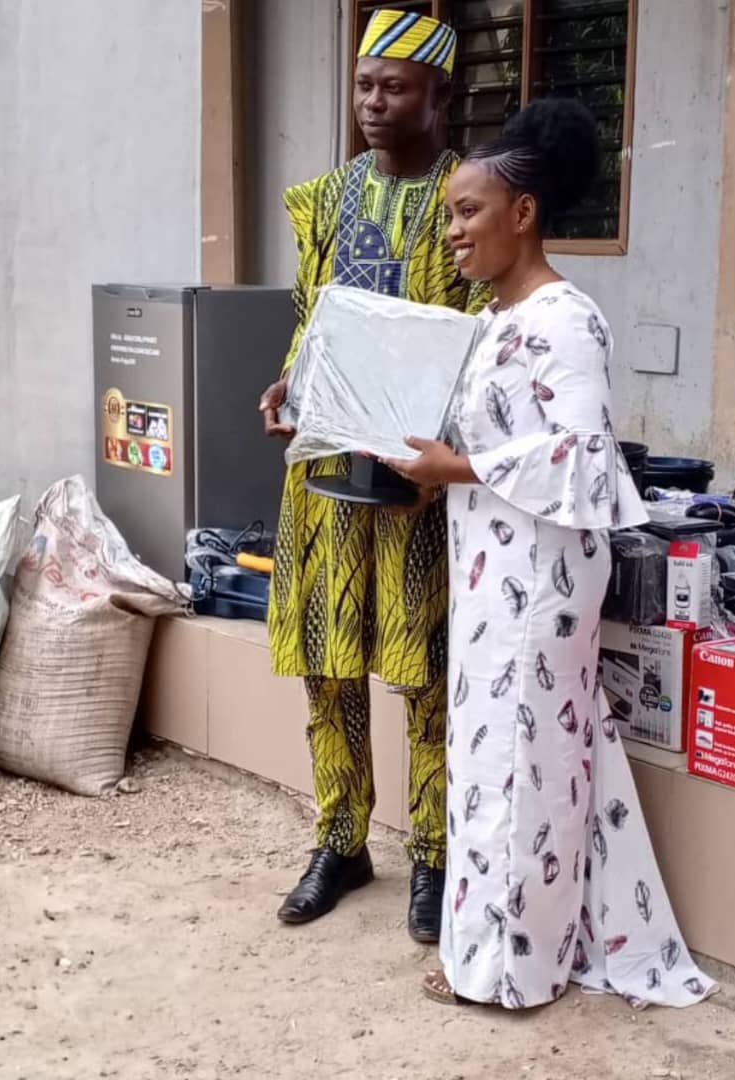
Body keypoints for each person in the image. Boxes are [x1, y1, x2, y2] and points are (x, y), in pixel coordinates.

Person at [382, 98, 718, 1008]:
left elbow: (582, 453)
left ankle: (509, 970)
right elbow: (492, 446)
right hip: (492, 567)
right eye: (451, 214)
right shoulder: (493, 319)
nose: (453, 231)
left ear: (523, 213)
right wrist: (429, 476)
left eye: (468, 211)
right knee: (509, 752)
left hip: (540, 578)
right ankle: (532, 941)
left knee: (518, 758)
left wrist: (457, 467)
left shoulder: (567, 319)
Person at [259, 9, 489, 942]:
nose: (373, 102)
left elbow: (484, 343)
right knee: (327, 662)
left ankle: (434, 852)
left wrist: (449, 461)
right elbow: (312, 324)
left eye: (394, 86)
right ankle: (341, 840)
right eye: (363, 84)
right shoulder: (327, 199)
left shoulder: (468, 199)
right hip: (324, 472)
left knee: (424, 671)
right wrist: (286, 383)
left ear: (441, 95)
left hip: (419, 479)